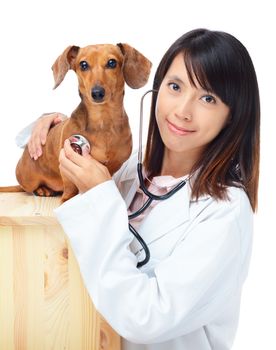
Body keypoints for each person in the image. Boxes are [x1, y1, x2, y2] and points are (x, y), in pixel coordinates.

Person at [17, 28, 260, 349]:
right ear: (157, 88)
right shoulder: (130, 168)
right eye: (175, 87)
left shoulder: (225, 212)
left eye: (208, 98)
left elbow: (146, 320)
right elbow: (38, 174)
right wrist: (50, 123)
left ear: (233, 115)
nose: (183, 110)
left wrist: (102, 198)